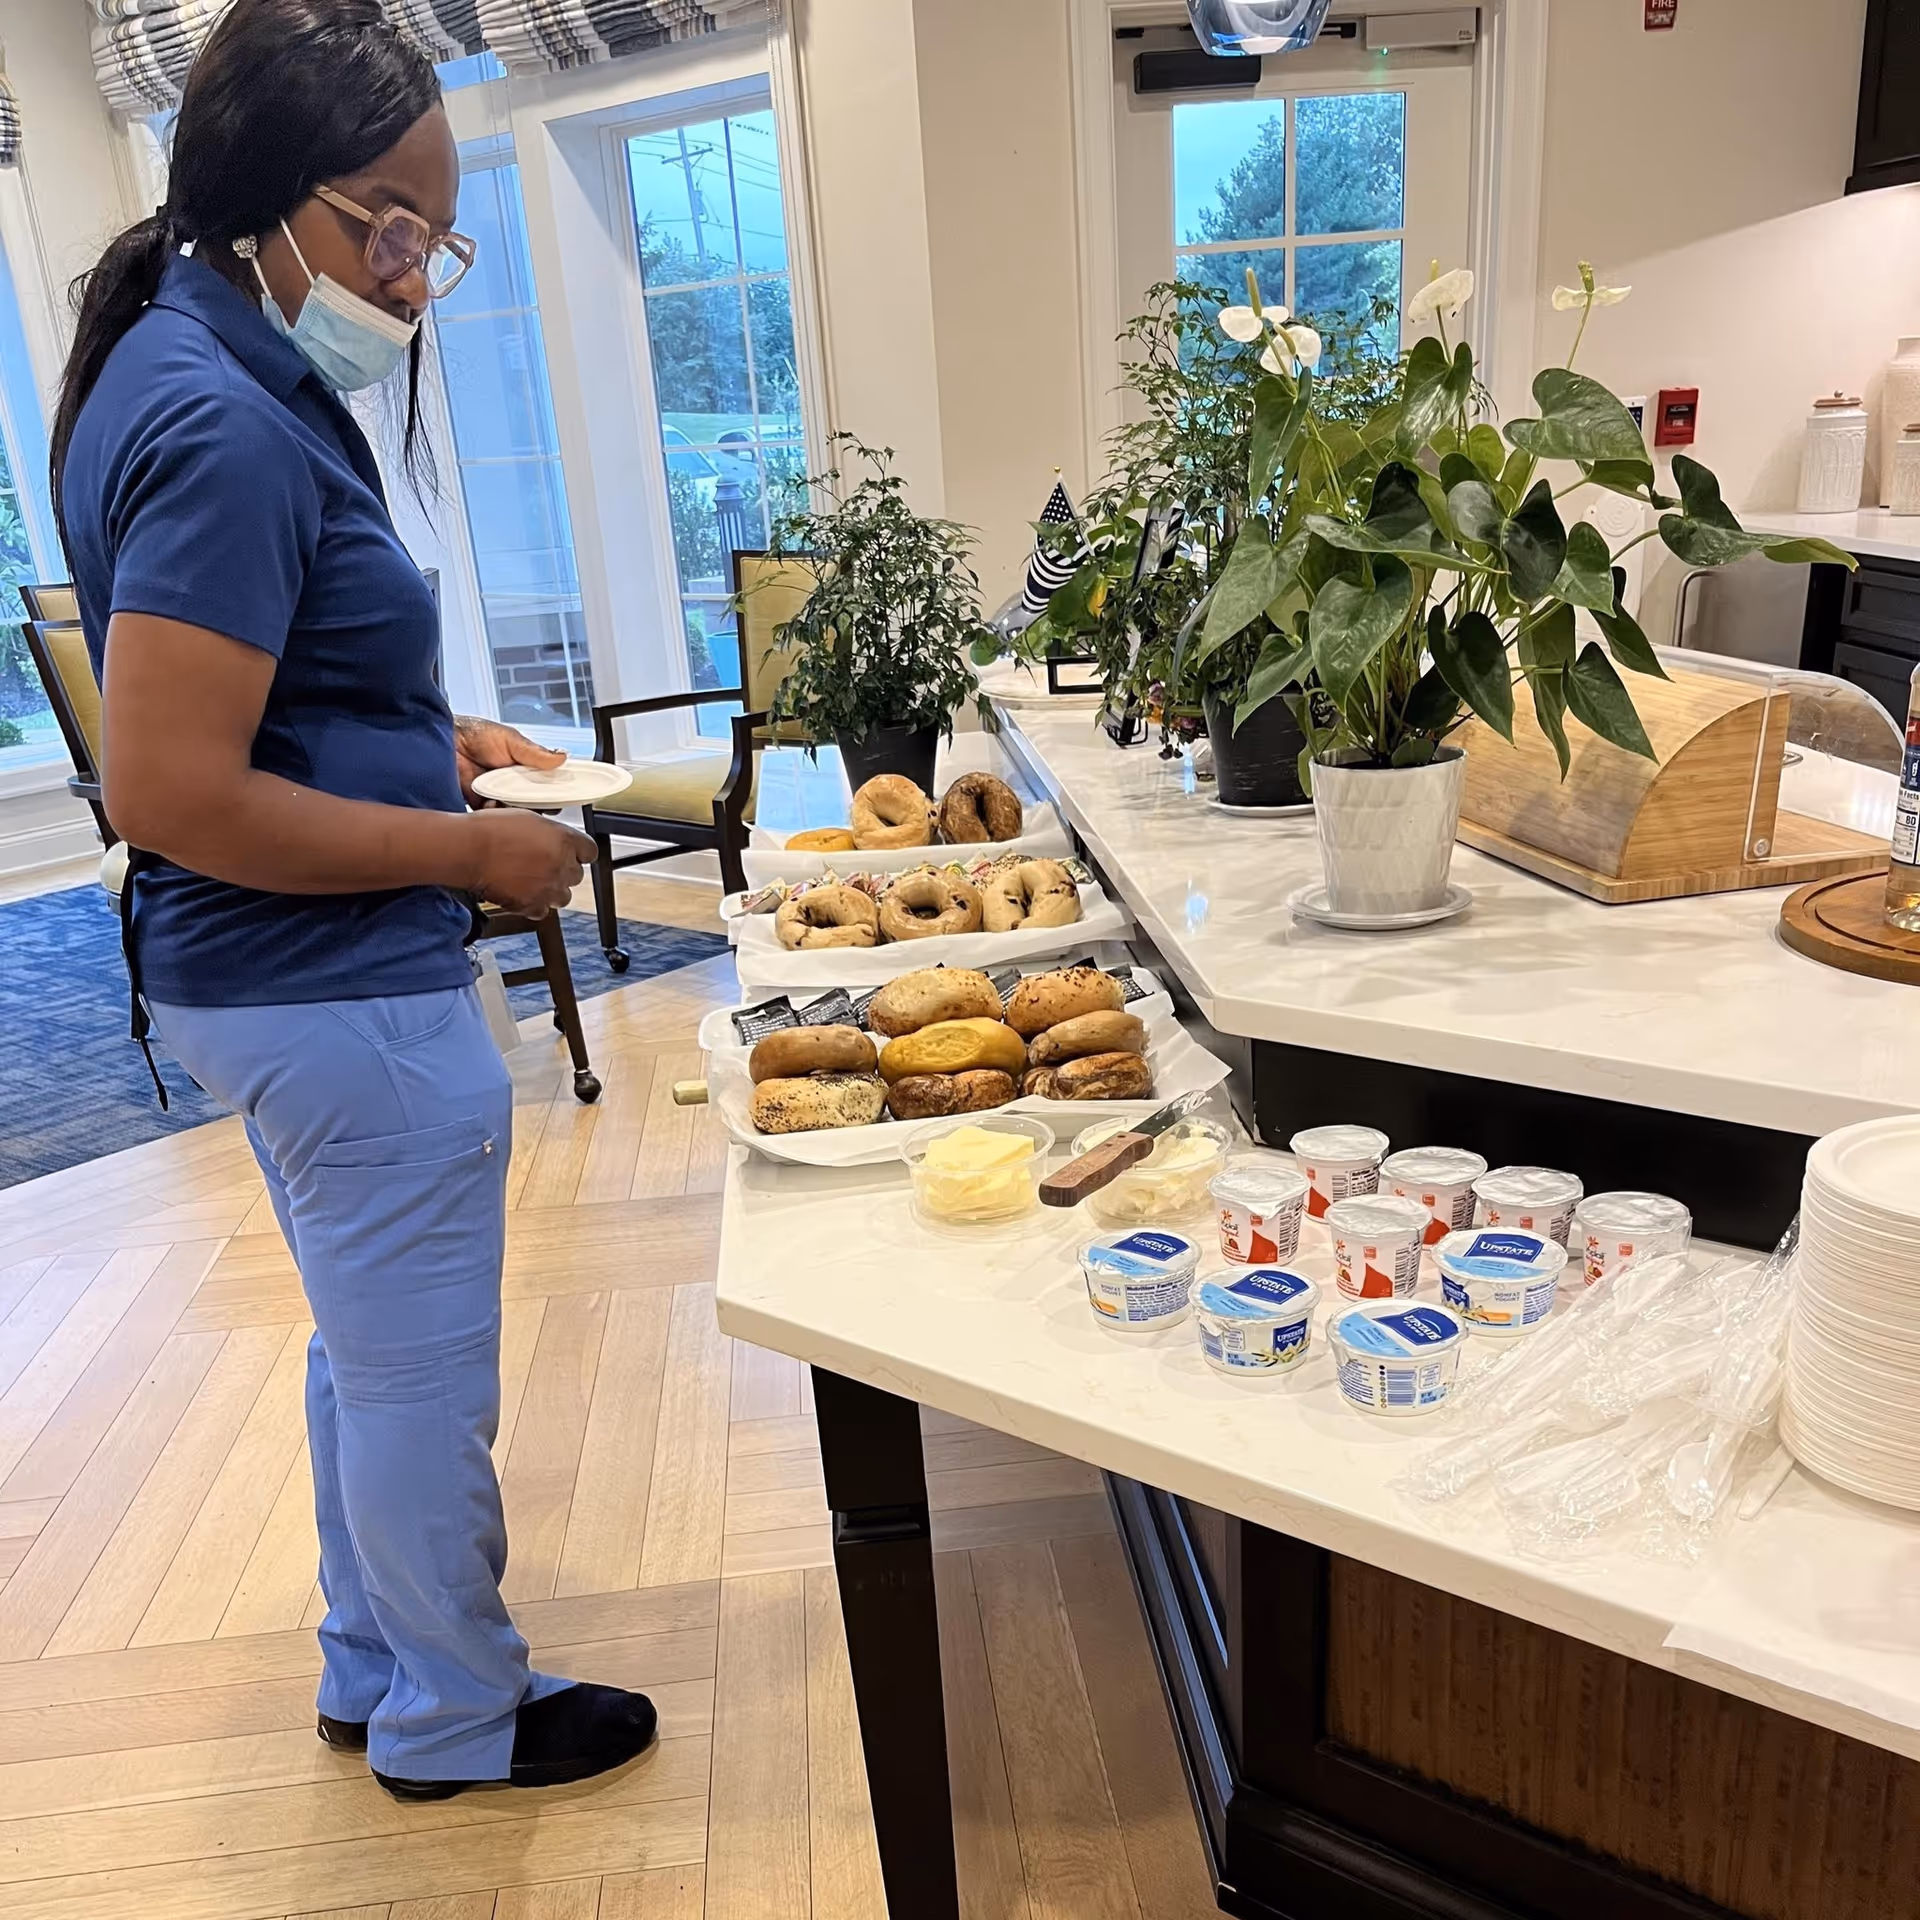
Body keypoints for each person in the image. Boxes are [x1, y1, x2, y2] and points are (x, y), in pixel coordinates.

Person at [51, 0, 656, 1801]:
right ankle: (457, 1720)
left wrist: (431, 733)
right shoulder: (225, 420)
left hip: (278, 988)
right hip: (331, 994)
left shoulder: (193, 356)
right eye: (387, 223)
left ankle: (370, 1662)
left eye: (430, 234)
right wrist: (470, 853)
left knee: (363, 1350)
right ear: (269, 199)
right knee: (415, 1382)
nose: (411, 274)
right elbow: (171, 787)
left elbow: (263, 683)